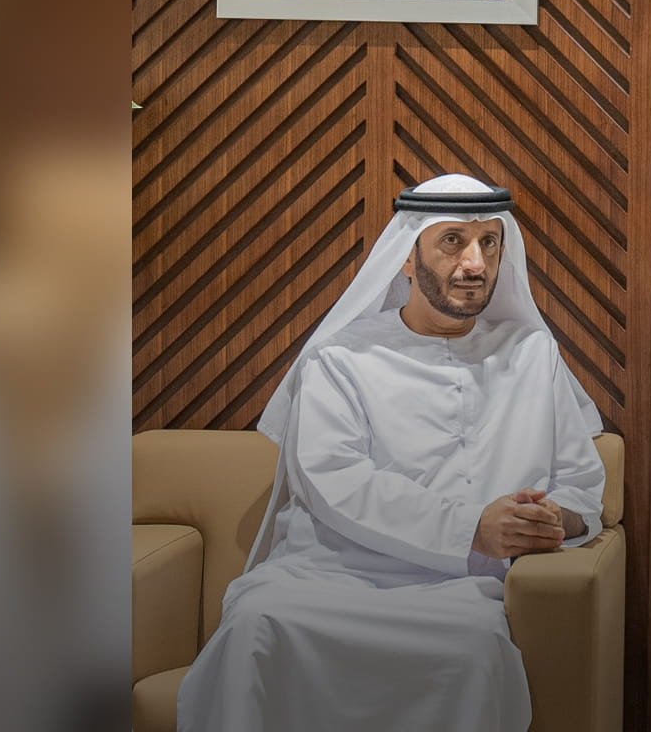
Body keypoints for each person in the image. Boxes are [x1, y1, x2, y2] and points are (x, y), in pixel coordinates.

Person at [177, 174, 606, 732]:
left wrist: (552, 521)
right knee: (256, 623)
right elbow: (336, 480)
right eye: (452, 241)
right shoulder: (341, 358)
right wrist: (473, 528)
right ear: (406, 257)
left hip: (460, 587)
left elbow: (579, 481)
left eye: (489, 242)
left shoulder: (532, 353)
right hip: (329, 574)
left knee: (473, 646)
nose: (475, 263)